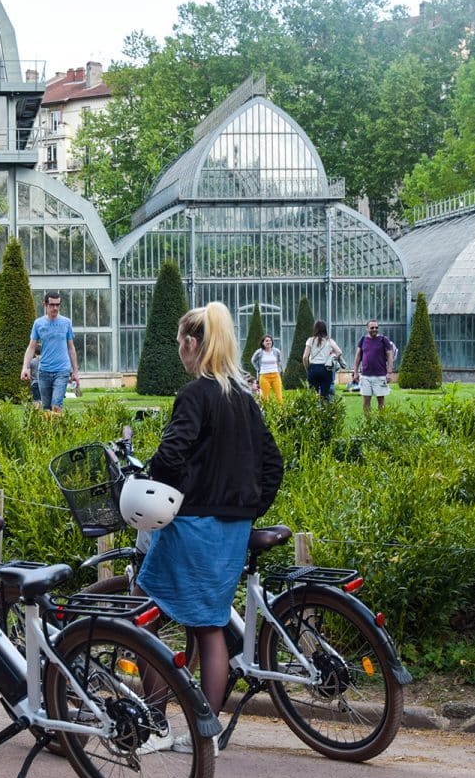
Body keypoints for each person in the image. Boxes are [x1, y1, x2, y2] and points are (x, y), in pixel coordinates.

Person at [137, 301, 283, 751]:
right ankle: (207, 733)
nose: (179, 349)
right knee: (211, 626)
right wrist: (246, 508)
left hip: (193, 525)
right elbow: (272, 463)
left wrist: (157, 482)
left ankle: (154, 722)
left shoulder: (195, 395)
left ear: (194, 344)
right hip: (231, 530)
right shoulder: (244, 398)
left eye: (181, 341)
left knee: (144, 618)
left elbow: (171, 455)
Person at [21, 291, 79, 412]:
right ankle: (51, 430)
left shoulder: (66, 323)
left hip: (62, 370)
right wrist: (25, 367)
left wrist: (75, 372)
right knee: (46, 409)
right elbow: (31, 347)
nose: (55, 308)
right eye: (52, 305)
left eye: (57, 305)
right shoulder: (38, 324)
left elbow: (71, 348)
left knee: (56, 406)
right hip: (44, 372)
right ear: (45, 305)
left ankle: (58, 430)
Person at [351, 320, 397, 416]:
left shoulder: (383, 340)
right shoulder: (363, 340)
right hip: (365, 376)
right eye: (372, 328)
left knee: (381, 401)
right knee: (366, 401)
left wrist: (389, 373)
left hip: (380, 376)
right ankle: (368, 423)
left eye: (376, 327)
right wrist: (355, 372)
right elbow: (357, 356)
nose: (374, 329)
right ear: (367, 328)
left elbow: (390, 356)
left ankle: (382, 421)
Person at [302, 321, 342, 401]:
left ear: (315, 329)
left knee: (313, 396)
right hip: (325, 368)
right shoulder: (329, 341)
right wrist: (332, 359)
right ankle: (325, 411)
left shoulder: (310, 340)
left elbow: (305, 357)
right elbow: (339, 352)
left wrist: (308, 369)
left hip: (313, 368)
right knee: (325, 395)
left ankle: (315, 412)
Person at [250, 334, 285, 402]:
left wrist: (279, 369)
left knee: (279, 398)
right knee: (265, 398)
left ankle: (281, 412)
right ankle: (266, 412)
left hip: (275, 376)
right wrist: (258, 369)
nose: (269, 342)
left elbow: (279, 360)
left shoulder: (276, 351)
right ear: (263, 343)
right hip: (264, 376)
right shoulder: (259, 352)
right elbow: (253, 360)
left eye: (270, 340)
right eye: (266, 341)